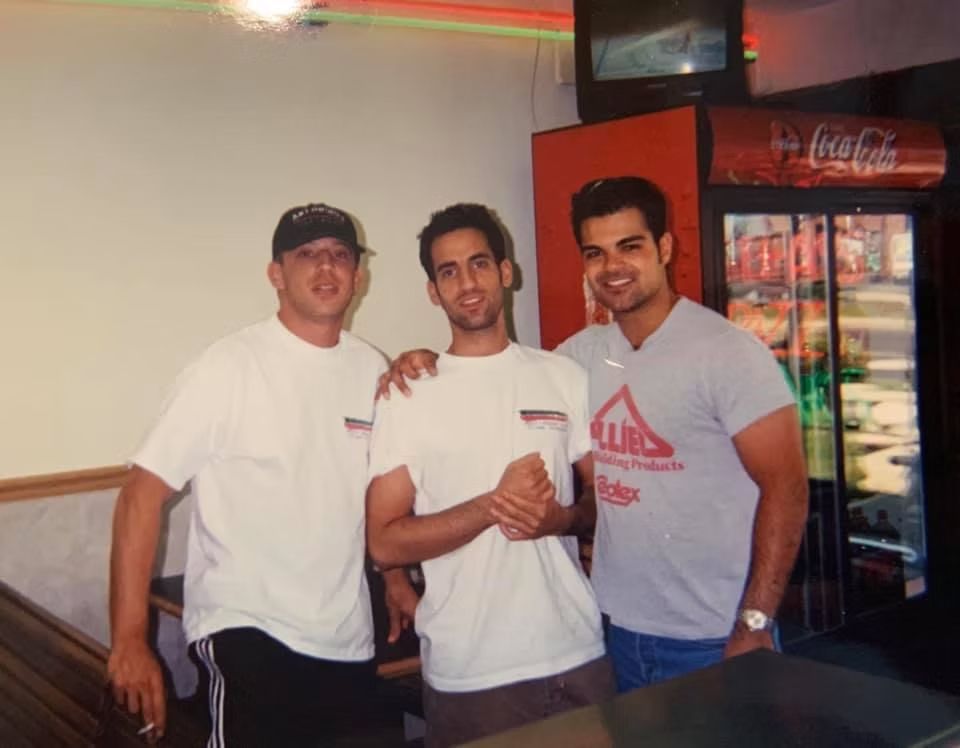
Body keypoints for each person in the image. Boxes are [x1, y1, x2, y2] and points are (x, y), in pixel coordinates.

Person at [380, 178, 809, 693]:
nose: (613, 267)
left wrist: (755, 621)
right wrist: (423, 363)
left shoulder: (729, 353)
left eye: (630, 246)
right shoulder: (578, 359)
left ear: (665, 248)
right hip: (613, 632)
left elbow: (787, 488)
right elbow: (505, 376)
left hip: (714, 636)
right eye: (595, 253)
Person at [107, 202, 394, 745]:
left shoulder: (371, 367)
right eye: (307, 255)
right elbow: (140, 497)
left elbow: (374, 493)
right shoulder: (229, 366)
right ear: (276, 274)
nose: (326, 268)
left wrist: (397, 578)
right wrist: (129, 639)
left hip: (347, 637)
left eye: (339, 255)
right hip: (248, 634)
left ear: (359, 275)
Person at [366, 203, 614, 747]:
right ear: (433, 291)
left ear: (506, 272)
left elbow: (605, 501)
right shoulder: (408, 396)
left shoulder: (563, 377)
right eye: (448, 271)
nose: (467, 283)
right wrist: (492, 506)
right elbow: (384, 543)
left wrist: (561, 519)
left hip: (577, 652)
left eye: (479, 263)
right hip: (472, 674)